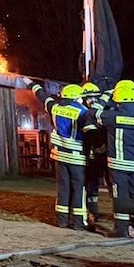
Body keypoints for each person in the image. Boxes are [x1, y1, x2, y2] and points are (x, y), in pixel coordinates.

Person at [29, 81, 96, 229]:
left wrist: (33, 85)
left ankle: (62, 221)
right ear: (78, 98)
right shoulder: (84, 112)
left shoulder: (56, 108)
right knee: (79, 189)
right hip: (77, 157)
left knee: (63, 188)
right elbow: (90, 134)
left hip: (59, 155)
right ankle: (79, 222)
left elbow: (44, 97)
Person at [96, 79, 134, 237]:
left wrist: (106, 96)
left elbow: (93, 112)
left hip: (118, 165)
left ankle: (121, 229)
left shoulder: (111, 117)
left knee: (120, 194)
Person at [80, 82, 109, 226]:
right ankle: (92, 212)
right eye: (89, 97)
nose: (92, 100)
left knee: (108, 184)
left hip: (103, 155)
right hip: (90, 155)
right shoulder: (84, 113)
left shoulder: (100, 112)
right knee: (91, 185)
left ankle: (120, 215)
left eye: (95, 97)